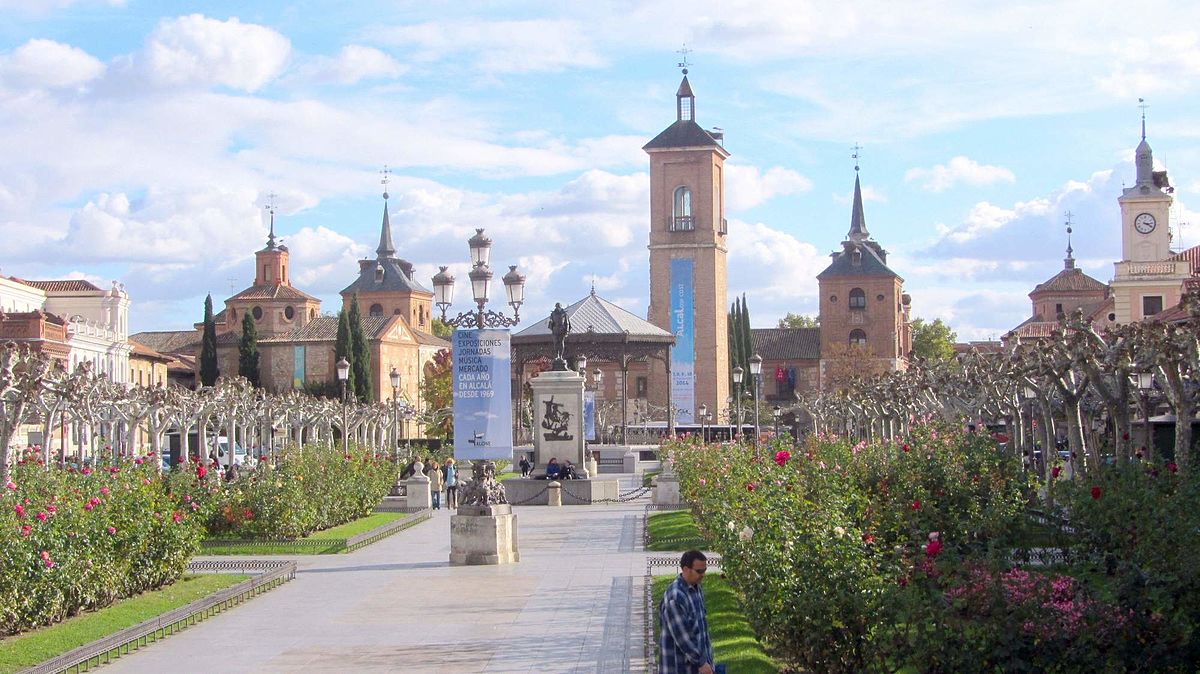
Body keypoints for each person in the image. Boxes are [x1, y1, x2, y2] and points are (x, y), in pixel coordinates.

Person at [659, 550, 715, 674]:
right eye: (699, 571)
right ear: (685, 569)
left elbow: (699, 629)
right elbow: (683, 637)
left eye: (704, 570)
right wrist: (701, 663)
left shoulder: (696, 588)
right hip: (679, 667)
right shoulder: (675, 598)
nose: (703, 575)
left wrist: (708, 661)